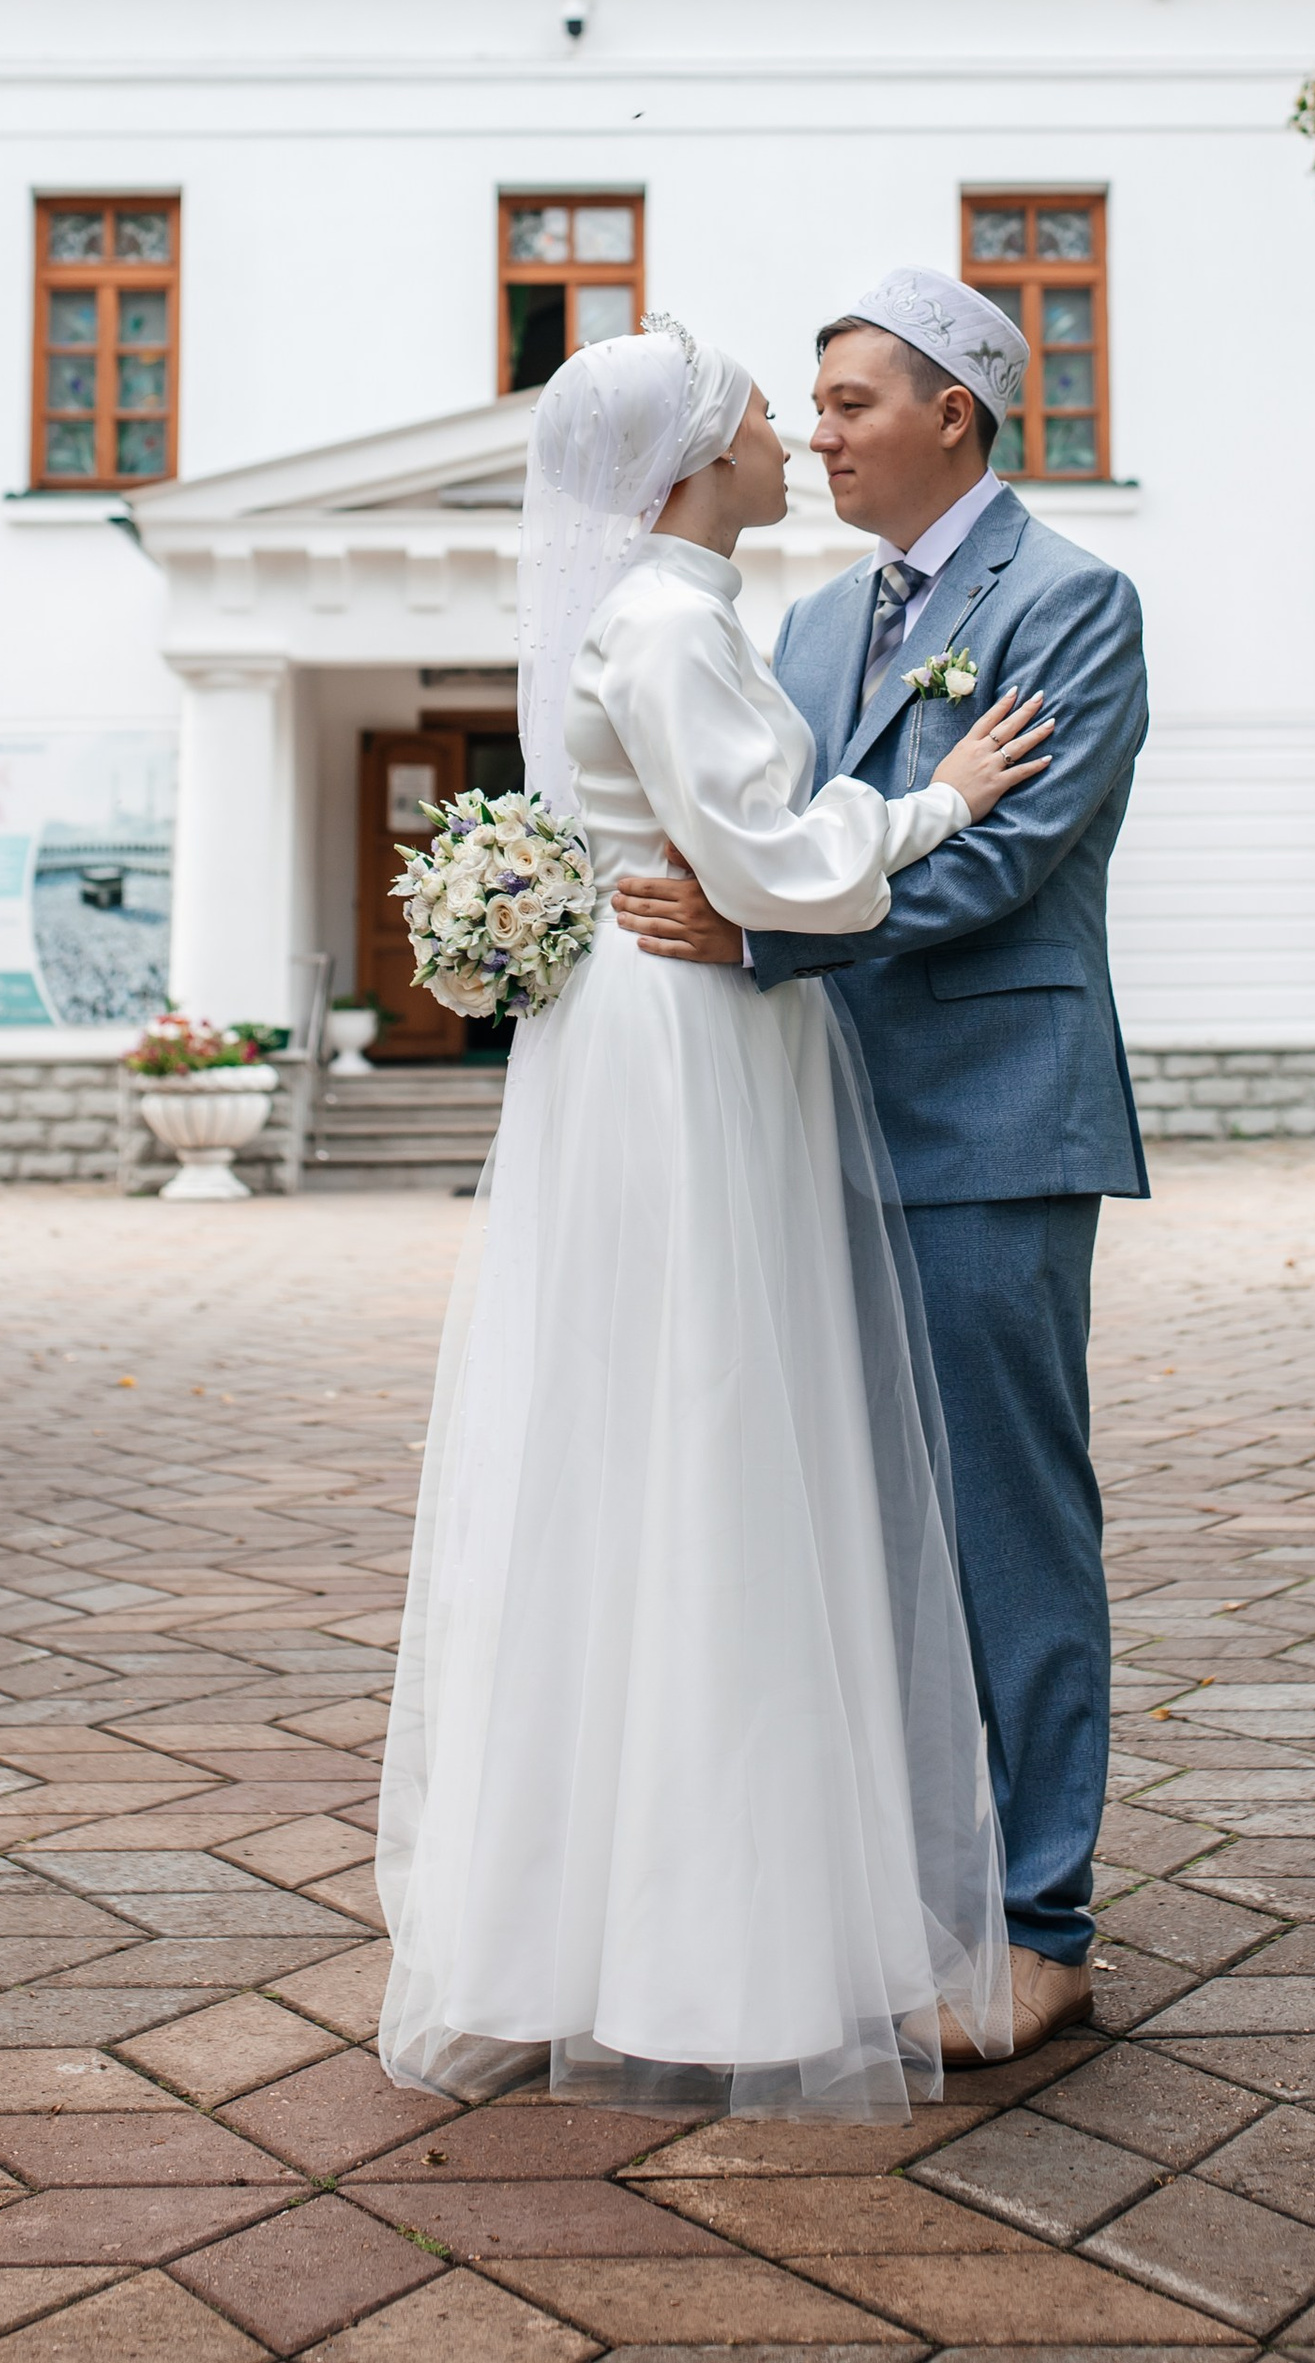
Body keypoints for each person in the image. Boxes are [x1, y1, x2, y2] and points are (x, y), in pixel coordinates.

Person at [375, 315, 1057, 2119]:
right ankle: (708, 1942)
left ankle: (597, 1919)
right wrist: (937, 801)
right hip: (686, 1046)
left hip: (673, 1034)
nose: (790, 432)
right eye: (764, 408)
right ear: (692, 461)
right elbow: (764, 858)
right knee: (711, 1432)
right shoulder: (672, 624)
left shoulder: (672, 611)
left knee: (655, 1437)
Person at [615, 270, 1149, 2060]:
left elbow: (1001, 860)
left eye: (849, 403)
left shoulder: (1075, 604)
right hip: (813, 1122)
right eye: (816, 407)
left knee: (1006, 1523)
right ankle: (904, 1895)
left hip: (992, 1120)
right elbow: (767, 831)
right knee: (858, 1532)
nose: (820, 434)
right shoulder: (818, 620)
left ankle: (1043, 1922)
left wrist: (759, 938)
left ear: (954, 415)